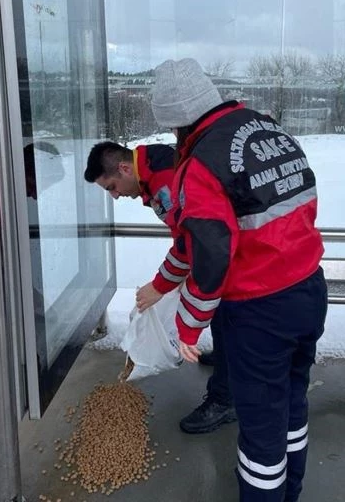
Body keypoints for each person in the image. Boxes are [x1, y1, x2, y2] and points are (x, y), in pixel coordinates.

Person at [149, 58, 328, 502]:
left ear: (177, 123)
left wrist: (189, 325)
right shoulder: (268, 129)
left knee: (261, 430)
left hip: (260, 310)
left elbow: (210, 255)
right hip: (309, 288)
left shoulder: (202, 162)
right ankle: (291, 492)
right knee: (292, 404)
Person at [83, 140, 236, 434]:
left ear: (125, 168)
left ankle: (225, 399)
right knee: (221, 313)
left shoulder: (165, 179)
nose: (115, 196)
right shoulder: (152, 167)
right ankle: (224, 357)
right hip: (221, 252)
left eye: (112, 187)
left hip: (232, 257)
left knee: (230, 317)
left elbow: (191, 241)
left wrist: (160, 286)